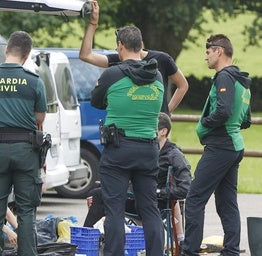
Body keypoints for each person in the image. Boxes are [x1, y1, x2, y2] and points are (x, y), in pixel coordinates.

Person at [91, 25, 164, 256]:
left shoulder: (112, 74)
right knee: (150, 209)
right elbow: (161, 108)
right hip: (149, 149)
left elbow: (96, 101)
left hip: (119, 149)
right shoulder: (157, 75)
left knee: (114, 210)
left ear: (120, 46)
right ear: (141, 47)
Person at [0, 31, 47, 256]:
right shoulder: (34, 82)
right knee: (26, 212)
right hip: (26, 151)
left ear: (6, 49)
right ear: (26, 56)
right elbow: (40, 119)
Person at [181, 34, 251, 256]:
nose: (205, 57)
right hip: (234, 146)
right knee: (226, 203)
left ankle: (189, 251)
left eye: (208, 52)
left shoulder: (224, 77)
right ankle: (231, 251)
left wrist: (204, 123)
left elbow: (223, 111)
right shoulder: (242, 80)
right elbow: (246, 120)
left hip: (221, 146)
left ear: (219, 51)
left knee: (194, 199)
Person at [84, 112, 192, 245]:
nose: (146, 132)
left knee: (101, 196)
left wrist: (158, 192)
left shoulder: (174, 155)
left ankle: (88, 241)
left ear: (163, 131)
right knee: (97, 193)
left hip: (155, 203)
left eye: (151, 128)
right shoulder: (146, 149)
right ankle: (87, 240)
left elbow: (185, 189)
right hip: (134, 196)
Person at [79, 0, 188, 116]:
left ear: (120, 46)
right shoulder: (118, 59)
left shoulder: (163, 59)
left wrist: (165, 113)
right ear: (140, 43)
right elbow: (86, 55)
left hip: (157, 126)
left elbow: (183, 85)